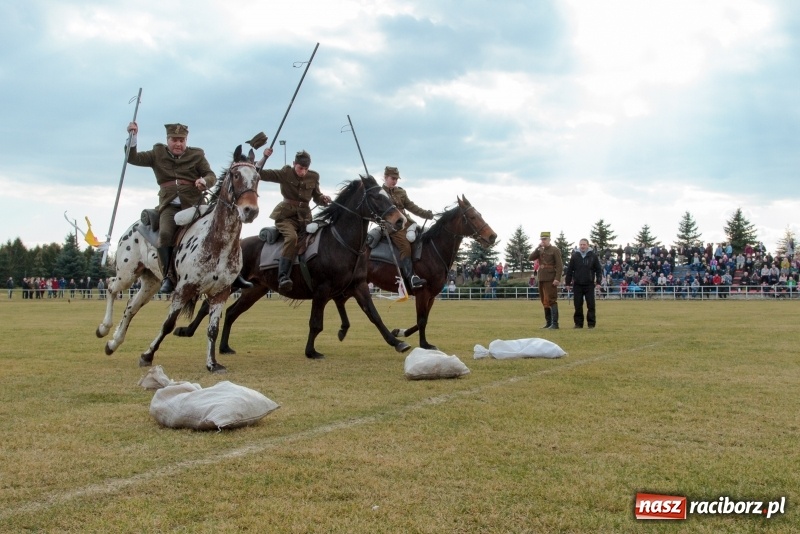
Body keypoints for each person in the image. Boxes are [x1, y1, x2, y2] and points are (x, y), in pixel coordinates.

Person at [125, 121, 216, 294]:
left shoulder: (197, 155)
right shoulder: (157, 154)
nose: (178, 144)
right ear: (168, 140)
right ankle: (168, 276)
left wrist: (204, 181)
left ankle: (229, 271)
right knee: (165, 234)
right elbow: (132, 158)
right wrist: (133, 136)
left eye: (182, 140)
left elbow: (211, 175)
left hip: (195, 205)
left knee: (219, 228)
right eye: (174, 140)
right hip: (170, 207)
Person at [258, 147, 331, 291]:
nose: (303, 172)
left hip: (304, 218)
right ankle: (283, 276)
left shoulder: (314, 176)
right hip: (285, 217)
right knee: (292, 238)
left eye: (305, 169)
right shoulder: (285, 173)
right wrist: (264, 157)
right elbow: (259, 173)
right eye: (300, 168)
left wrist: (323, 199)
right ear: (293, 164)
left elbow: (316, 196)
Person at [381, 166, 434, 289]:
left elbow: (412, 207)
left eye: (396, 179)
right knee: (405, 246)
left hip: (408, 223)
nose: (395, 181)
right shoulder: (380, 193)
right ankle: (411, 278)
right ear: (385, 177)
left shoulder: (401, 192)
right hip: (393, 227)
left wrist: (426, 214)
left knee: (423, 240)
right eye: (392, 178)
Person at [564, 239, 602, 328]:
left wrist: (598, 282)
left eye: (584, 244)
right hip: (577, 284)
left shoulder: (593, 256)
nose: (582, 246)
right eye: (581, 244)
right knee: (577, 305)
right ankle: (578, 324)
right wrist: (567, 283)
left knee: (591, 305)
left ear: (588, 245)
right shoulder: (574, 256)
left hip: (589, 284)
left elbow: (598, 270)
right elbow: (569, 270)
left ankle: (591, 324)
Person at [529, 231, 563, 329]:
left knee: (551, 300)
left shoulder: (554, 250)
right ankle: (548, 323)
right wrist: (537, 249)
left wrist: (557, 278)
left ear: (549, 239)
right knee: (544, 300)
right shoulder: (540, 250)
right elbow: (530, 258)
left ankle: (555, 323)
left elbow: (559, 266)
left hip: (550, 278)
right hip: (541, 277)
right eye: (542, 239)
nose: (543, 241)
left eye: (545, 239)